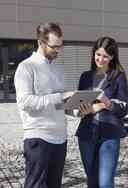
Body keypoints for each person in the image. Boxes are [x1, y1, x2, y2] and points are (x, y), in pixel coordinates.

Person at [14, 22, 73, 188]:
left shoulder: (59, 68)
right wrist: (60, 96)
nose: (58, 51)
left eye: (60, 46)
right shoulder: (26, 67)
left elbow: (59, 104)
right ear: (40, 42)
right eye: (54, 47)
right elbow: (25, 102)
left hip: (60, 138)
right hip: (38, 137)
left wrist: (77, 107)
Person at [75, 36, 128, 188]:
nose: (100, 59)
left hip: (110, 133)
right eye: (98, 54)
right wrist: (86, 110)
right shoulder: (85, 77)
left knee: (105, 183)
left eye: (105, 56)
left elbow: (123, 109)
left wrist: (107, 102)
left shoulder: (118, 76)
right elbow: (78, 107)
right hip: (87, 133)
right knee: (92, 182)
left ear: (112, 57)